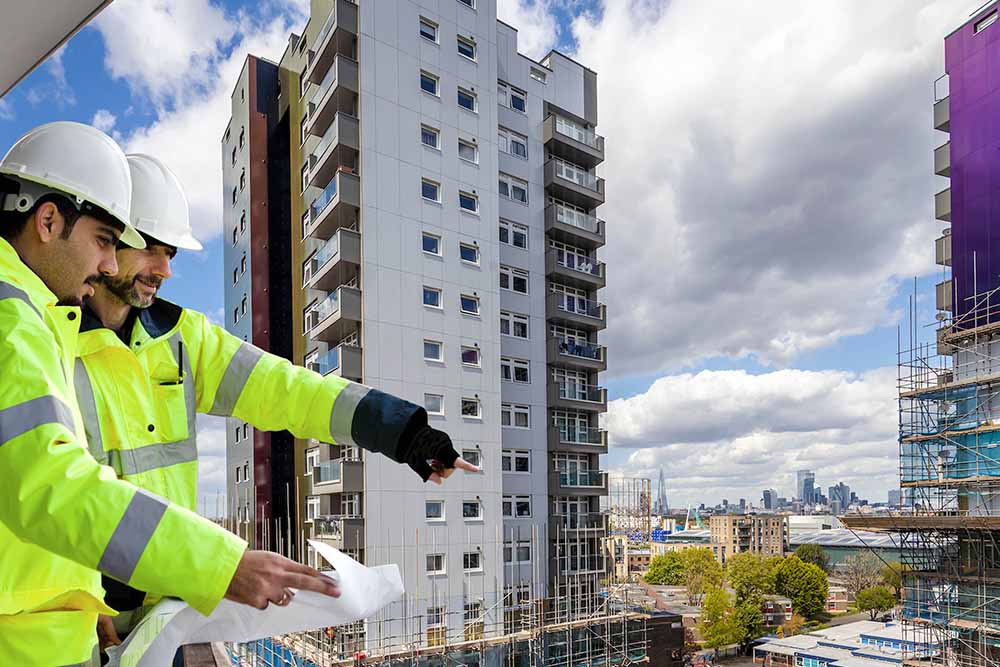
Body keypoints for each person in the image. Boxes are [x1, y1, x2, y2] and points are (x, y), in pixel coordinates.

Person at [80, 153, 477, 649]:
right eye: (150, 250)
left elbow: (286, 389)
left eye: (172, 255)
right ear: (102, 238)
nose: (164, 269)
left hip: (164, 613)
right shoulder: (47, 339)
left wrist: (403, 432)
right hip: (81, 622)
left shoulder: (182, 339)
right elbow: (46, 486)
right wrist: (76, 593)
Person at [0, 122, 339, 666]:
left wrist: (392, 424)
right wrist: (222, 565)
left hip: (124, 615)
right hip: (42, 637)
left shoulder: (155, 334)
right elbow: (51, 486)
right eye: (111, 242)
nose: (113, 264)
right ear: (47, 220)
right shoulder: (19, 320)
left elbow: (286, 388)